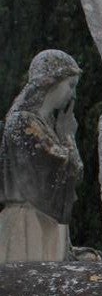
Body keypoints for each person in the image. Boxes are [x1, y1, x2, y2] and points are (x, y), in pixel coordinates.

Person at [0, 49, 83, 262]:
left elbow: (74, 176)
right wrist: (67, 137)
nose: (73, 95)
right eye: (70, 85)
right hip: (28, 224)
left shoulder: (47, 126)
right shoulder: (23, 123)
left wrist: (65, 134)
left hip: (46, 223)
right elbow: (60, 172)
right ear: (51, 82)